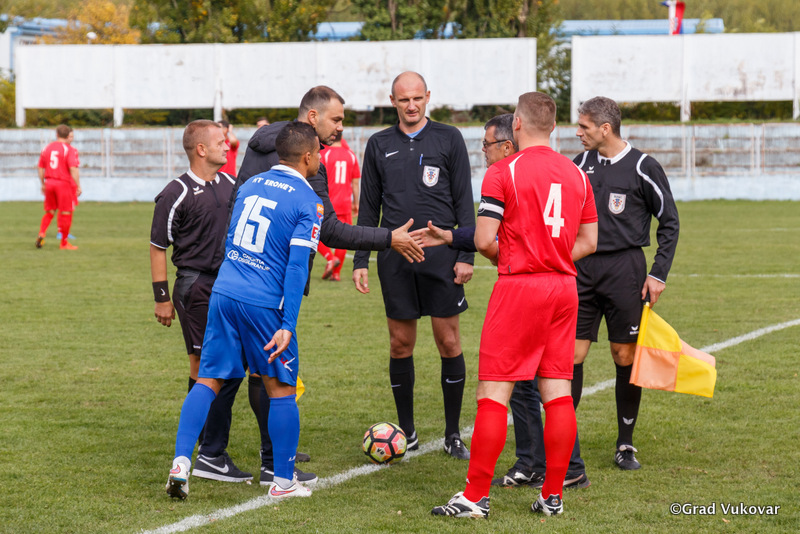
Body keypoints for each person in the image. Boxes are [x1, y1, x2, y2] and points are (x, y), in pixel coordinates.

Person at [233, 85, 425, 485]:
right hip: (272, 278)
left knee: (236, 370)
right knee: (268, 369)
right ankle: (271, 462)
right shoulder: (305, 158)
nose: (340, 127)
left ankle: (216, 452)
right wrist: (388, 238)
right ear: (312, 118)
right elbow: (332, 229)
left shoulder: (263, 141)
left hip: (238, 269)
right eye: (336, 119)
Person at [431, 91, 598, 519]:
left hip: (520, 286)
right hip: (564, 288)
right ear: (555, 127)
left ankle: (475, 497)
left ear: (517, 125)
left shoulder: (503, 171)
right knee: (557, 391)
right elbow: (589, 241)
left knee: (493, 391)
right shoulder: (578, 174)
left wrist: (514, 258)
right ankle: (553, 495)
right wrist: (553, 258)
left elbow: (484, 238)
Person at [166, 121, 324, 501]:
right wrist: (287, 323)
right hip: (263, 302)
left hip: (224, 292)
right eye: (318, 152)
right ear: (307, 157)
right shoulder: (309, 200)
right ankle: (283, 482)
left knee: (208, 379)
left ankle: (181, 462)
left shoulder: (250, 184)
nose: (320, 158)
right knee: (281, 388)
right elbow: (297, 267)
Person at [353, 71, 474, 460]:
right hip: (396, 257)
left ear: (428, 97)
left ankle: (453, 434)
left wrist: (466, 254)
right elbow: (369, 206)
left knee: (448, 341)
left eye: (417, 98)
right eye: (403, 99)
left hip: (441, 257)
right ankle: (407, 432)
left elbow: (464, 200)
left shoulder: (449, 138)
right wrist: (360, 259)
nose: (411, 105)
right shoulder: (379, 143)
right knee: (400, 343)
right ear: (392, 101)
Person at [571, 96, 680, 471]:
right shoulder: (578, 165)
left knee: (624, 356)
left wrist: (658, 273)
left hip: (625, 270)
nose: (578, 132)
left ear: (605, 129)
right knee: (571, 356)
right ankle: (565, 443)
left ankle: (625, 443)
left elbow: (669, 221)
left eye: (584, 126)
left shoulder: (643, 166)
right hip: (581, 269)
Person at [150, 119, 254, 484]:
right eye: (221, 142)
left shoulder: (230, 184)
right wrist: (162, 298)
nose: (227, 146)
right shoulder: (175, 192)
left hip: (230, 286)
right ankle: (208, 450)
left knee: (231, 365)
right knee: (204, 365)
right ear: (201, 149)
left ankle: (207, 446)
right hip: (195, 287)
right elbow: (158, 247)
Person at [317, 132, 361, 281]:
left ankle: (330, 258)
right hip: (345, 203)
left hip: (328, 201)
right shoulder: (351, 155)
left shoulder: (324, 154)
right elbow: (355, 182)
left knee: (316, 232)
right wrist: (356, 202)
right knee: (343, 237)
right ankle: (336, 273)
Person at [36, 124, 81, 250]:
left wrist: (43, 183)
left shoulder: (47, 148)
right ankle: (64, 243)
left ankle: (42, 232)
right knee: (66, 212)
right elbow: (73, 168)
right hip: (63, 183)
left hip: (49, 182)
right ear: (67, 136)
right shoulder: (69, 149)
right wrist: (78, 185)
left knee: (50, 211)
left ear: (56, 134)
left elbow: (40, 168)